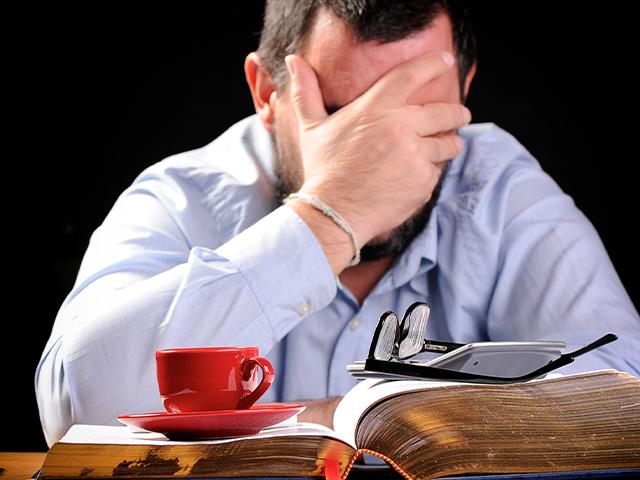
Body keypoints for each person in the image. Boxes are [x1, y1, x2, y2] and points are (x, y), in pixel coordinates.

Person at [36, 0, 639, 447]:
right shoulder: (180, 198)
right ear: (267, 92)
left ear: (466, 87)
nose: (389, 152)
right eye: (348, 116)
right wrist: (332, 213)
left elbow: (622, 404)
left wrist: (337, 413)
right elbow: (73, 413)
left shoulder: (497, 185)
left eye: (423, 113)